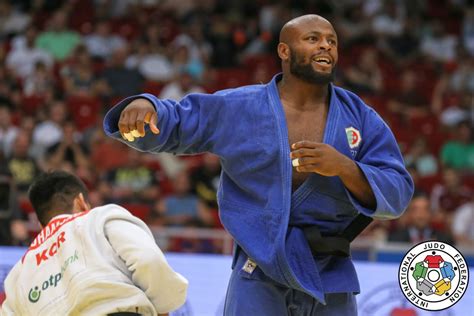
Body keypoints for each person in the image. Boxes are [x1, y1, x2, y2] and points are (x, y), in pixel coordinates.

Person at [103, 14, 413, 315]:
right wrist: (147, 106)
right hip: (259, 272)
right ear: (284, 50)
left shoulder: (360, 116)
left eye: (331, 41)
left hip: (331, 276)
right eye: (312, 39)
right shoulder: (241, 107)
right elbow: (182, 119)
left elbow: (397, 191)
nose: (325, 46)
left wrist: (345, 167)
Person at [0, 171, 188, 315]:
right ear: (81, 202)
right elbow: (148, 259)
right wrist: (163, 306)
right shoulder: (99, 217)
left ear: (42, 225)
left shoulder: (19, 272)